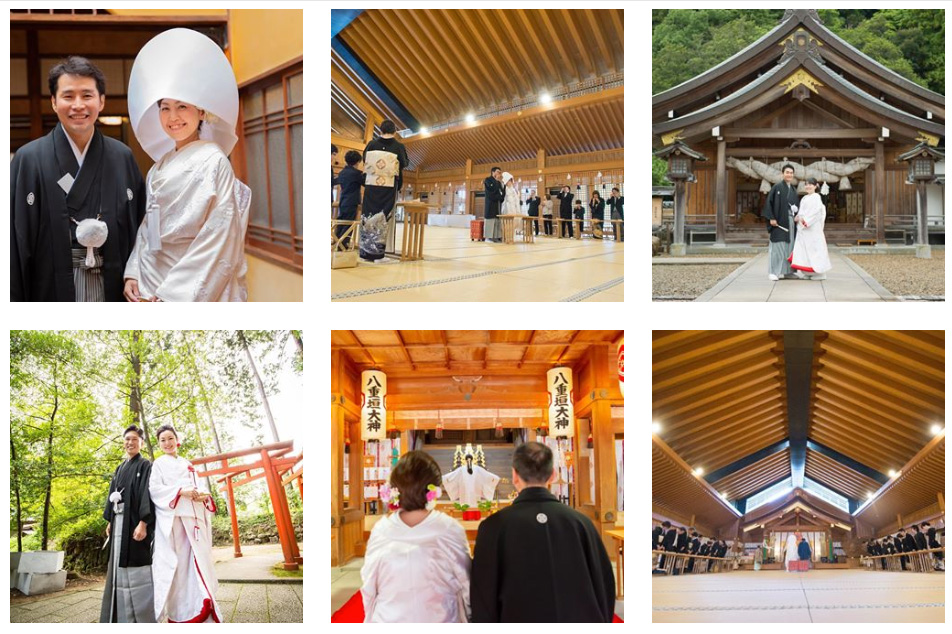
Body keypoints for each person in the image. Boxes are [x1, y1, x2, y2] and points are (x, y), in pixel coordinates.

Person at [124, 28, 250, 302]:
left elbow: (220, 235)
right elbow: (148, 227)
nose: (173, 117)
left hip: (185, 284)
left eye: (182, 107)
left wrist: (174, 295)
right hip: (149, 278)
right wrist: (133, 271)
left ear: (201, 111)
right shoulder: (159, 167)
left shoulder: (214, 161)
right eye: (165, 107)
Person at [12, 56, 145, 302]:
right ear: (53, 102)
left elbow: (140, 228)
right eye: (68, 96)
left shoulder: (121, 156)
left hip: (114, 284)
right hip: (50, 286)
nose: (78, 105)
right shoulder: (29, 159)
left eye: (87, 96)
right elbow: (14, 239)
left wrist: (137, 275)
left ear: (101, 101)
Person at [471, 442, 614, 622]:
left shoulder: (494, 526)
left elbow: (483, 593)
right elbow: (604, 584)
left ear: (514, 475)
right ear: (553, 475)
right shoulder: (581, 523)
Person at [360, 451, 471, 622]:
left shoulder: (381, 530)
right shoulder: (450, 529)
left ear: (394, 489)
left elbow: (369, 587)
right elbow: (467, 584)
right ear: (435, 488)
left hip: (388, 619)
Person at [149, 425, 222, 622]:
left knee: (200, 560)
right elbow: (155, 489)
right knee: (180, 565)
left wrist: (202, 495)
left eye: (170, 438)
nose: (167, 443)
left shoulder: (188, 463)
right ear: (159, 443)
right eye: (162, 440)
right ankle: (182, 612)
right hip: (175, 519)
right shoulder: (158, 464)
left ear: (176, 439)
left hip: (193, 518)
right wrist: (180, 491)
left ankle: (204, 603)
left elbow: (199, 486)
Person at [100, 425, 156, 622]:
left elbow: (146, 494)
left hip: (134, 522)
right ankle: (117, 617)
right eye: (127, 439)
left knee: (134, 561)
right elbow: (112, 496)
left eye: (134, 439)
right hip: (118, 522)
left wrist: (143, 522)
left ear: (141, 442)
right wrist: (111, 520)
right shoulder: (120, 467)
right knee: (117, 564)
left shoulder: (145, 465)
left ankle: (140, 618)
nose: (130, 442)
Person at [363, 119, 408, 222]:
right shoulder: (399, 147)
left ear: (380, 131)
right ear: (395, 132)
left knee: (368, 215)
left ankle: (367, 235)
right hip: (389, 186)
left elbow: (365, 160)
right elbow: (404, 163)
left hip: (371, 185)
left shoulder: (372, 144)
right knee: (385, 216)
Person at [789, 177, 831, 280]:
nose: (808, 186)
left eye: (810, 184)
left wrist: (805, 221)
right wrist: (798, 217)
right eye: (806, 184)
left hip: (812, 228)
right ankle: (808, 272)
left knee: (815, 250)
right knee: (805, 251)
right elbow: (802, 211)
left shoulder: (816, 197)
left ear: (815, 186)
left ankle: (820, 273)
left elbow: (816, 213)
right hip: (804, 229)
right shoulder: (804, 198)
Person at [762, 164, 799, 281]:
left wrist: (796, 210)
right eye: (787, 172)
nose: (789, 174)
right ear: (782, 174)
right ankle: (773, 271)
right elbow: (769, 203)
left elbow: (796, 205)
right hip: (778, 221)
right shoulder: (777, 187)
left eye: (791, 173)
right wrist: (771, 218)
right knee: (778, 247)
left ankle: (788, 272)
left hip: (790, 222)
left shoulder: (793, 189)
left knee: (790, 247)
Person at [334, 150, 363, 246]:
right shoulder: (356, 174)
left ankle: (337, 244)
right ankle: (343, 246)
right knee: (348, 225)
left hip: (343, 201)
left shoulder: (342, 172)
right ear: (358, 161)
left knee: (341, 223)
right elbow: (365, 182)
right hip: (352, 202)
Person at [484, 167, 505, 243]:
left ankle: (496, 237)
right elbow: (491, 191)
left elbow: (501, 193)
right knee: (491, 220)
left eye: (500, 172)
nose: (499, 173)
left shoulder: (499, 183)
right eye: (498, 171)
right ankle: (489, 237)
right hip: (490, 204)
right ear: (493, 172)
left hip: (498, 205)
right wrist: (496, 181)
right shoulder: (487, 180)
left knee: (497, 220)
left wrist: (501, 197)